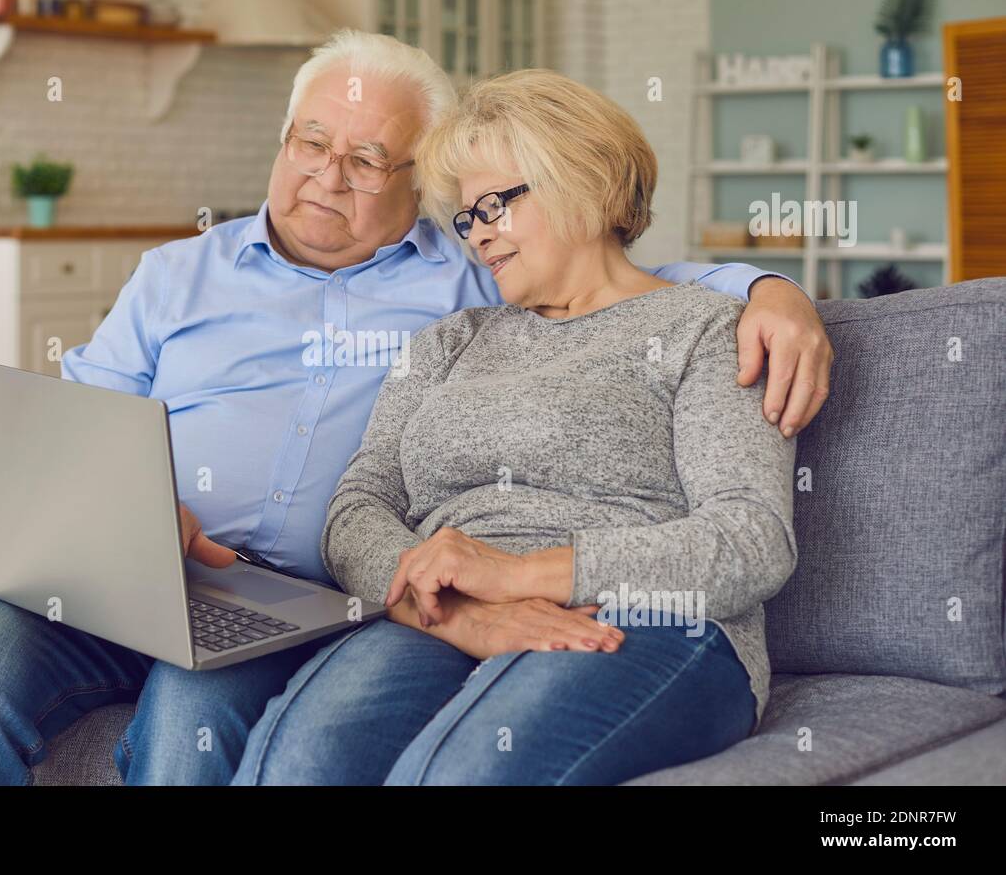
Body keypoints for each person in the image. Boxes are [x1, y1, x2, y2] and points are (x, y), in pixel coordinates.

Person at [0, 32, 828, 786]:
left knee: (198, 722)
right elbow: (87, 436)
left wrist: (777, 288)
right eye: (309, 143)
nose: (325, 178)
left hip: (293, 603)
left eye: (368, 160)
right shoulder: (191, 276)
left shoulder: (472, 281)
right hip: (132, 571)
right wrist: (115, 513)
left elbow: (625, 286)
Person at [230, 69, 797, 786]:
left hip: (647, 616)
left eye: (494, 206)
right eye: (467, 218)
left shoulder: (705, 330)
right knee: (299, 762)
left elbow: (752, 539)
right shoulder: (449, 341)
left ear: (583, 181)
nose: (477, 236)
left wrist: (522, 575)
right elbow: (357, 507)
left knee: (464, 773)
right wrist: (463, 610)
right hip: (448, 615)